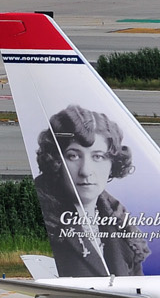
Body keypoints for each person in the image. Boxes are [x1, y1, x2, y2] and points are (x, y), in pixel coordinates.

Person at [33, 104, 151, 277]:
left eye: (98, 157)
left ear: (112, 163)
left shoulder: (123, 228)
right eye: (73, 155)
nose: (86, 171)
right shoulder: (43, 221)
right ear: (57, 161)